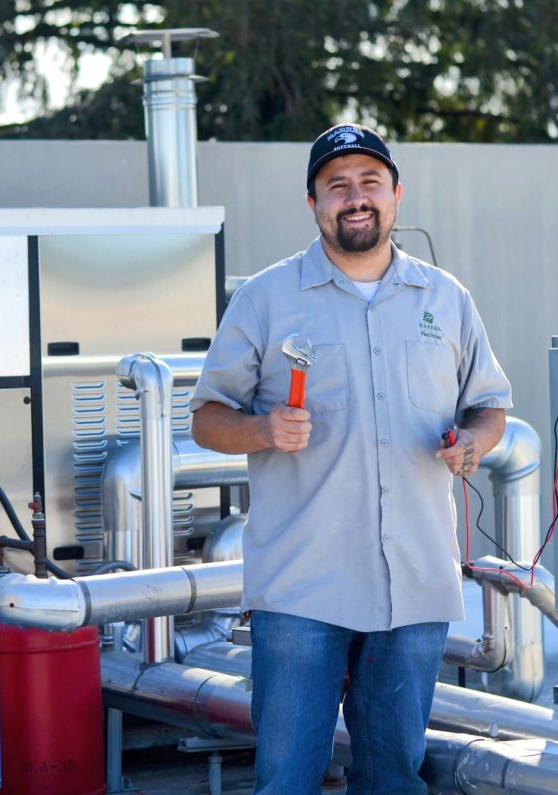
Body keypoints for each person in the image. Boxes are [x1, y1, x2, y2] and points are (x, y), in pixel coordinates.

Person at [189, 123, 512, 794]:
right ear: (313, 203)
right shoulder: (266, 299)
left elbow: (489, 406)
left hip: (414, 582)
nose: (355, 197)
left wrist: (474, 441)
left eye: (370, 182)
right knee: (286, 780)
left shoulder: (445, 300)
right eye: (337, 185)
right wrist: (262, 430)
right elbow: (205, 418)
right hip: (303, 587)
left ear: (396, 194)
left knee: (394, 778)